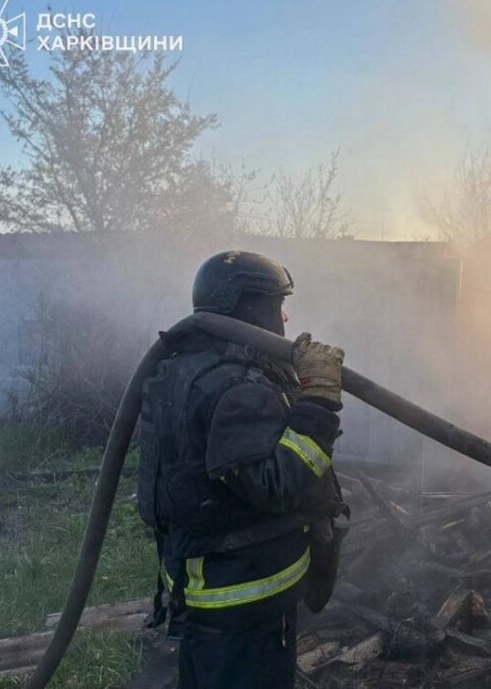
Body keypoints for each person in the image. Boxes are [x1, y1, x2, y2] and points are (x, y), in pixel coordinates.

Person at [137, 250, 348, 689]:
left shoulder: (188, 367)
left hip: (212, 597)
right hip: (245, 608)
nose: (285, 318)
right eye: (277, 305)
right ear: (250, 306)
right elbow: (278, 484)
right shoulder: (236, 387)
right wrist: (320, 403)